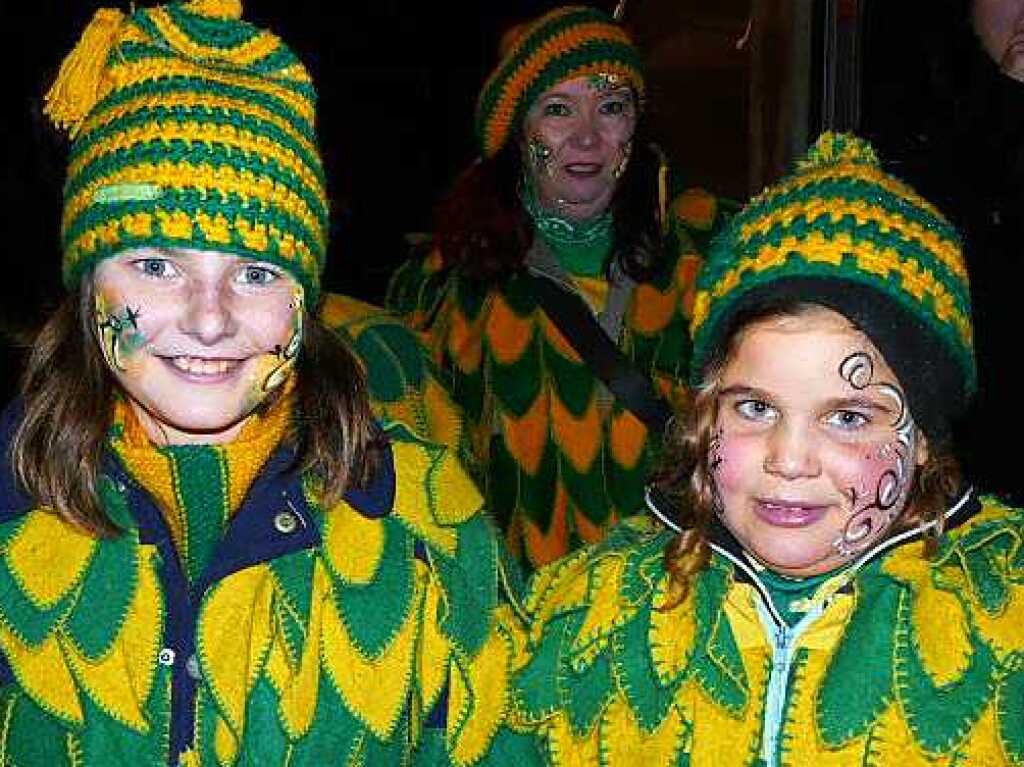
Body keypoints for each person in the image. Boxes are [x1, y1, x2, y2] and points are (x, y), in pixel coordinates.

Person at [0, 1, 518, 764]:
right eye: (155, 264)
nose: (210, 321)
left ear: (305, 297)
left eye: (256, 272)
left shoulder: (428, 526)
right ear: (88, 285)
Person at [501, 133, 1024, 765]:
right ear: (704, 413)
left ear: (921, 442)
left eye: (850, 416)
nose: (790, 459)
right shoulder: (591, 611)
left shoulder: (1005, 619)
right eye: (755, 407)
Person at [387, 5, 730, 572]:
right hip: (521, 623)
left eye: (612, 109)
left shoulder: (709, 249)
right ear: (518, 131)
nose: (588, 137)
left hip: (681, 602)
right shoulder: (444, 285)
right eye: (558, 110)